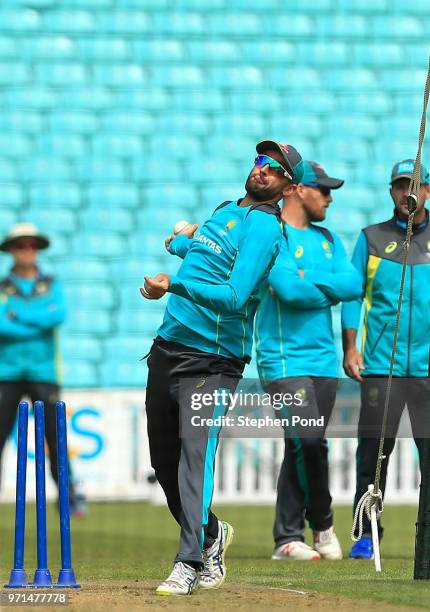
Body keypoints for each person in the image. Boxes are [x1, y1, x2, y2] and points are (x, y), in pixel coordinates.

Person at [141, 141, 304, 595]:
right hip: (168, 347)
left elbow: (234, 297)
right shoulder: (224, 209)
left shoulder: (267, 229)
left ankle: (189, 561)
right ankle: (212, 535)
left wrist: (173, 285)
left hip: (212, 359)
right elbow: (204, 255)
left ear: (289, 186)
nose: (264, 170)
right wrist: (178, 243)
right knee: (164, 463)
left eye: (276, 168)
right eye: (261, 161)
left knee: (195, 457)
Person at [255, 161, 361, 561]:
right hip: (283, 361)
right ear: (298, 189)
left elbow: (353, 287)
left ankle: (288, 539)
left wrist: (309, 280)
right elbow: (287, 290)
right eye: (324, 190)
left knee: (302, 446)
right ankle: (322, 524)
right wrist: (324, 287)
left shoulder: (329, 239)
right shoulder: (273, 236)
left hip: (322, 360)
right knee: (311, 443)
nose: (330, 199)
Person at [342, 159, 430, 559]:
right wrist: (351, 346)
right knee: (373, 456)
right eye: (398, 186)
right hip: (382, 367)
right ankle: (366, 535)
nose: (405, 192)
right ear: (391, 192)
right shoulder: (372, 238)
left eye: (413, 185)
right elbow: (351, 294)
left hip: (428, 370)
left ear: (427, 190)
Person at [0, 222, 84, 516]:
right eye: (20, 245)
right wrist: (36, 319)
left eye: (31, 245)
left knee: (55, 437)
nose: (26, 250)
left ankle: (70, 498)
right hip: (6, 373)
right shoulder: (2, 286)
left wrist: (18, 315)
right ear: (11, 249)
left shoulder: (51, 283)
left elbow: (57, 315)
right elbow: (1, 325)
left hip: (44, 372)